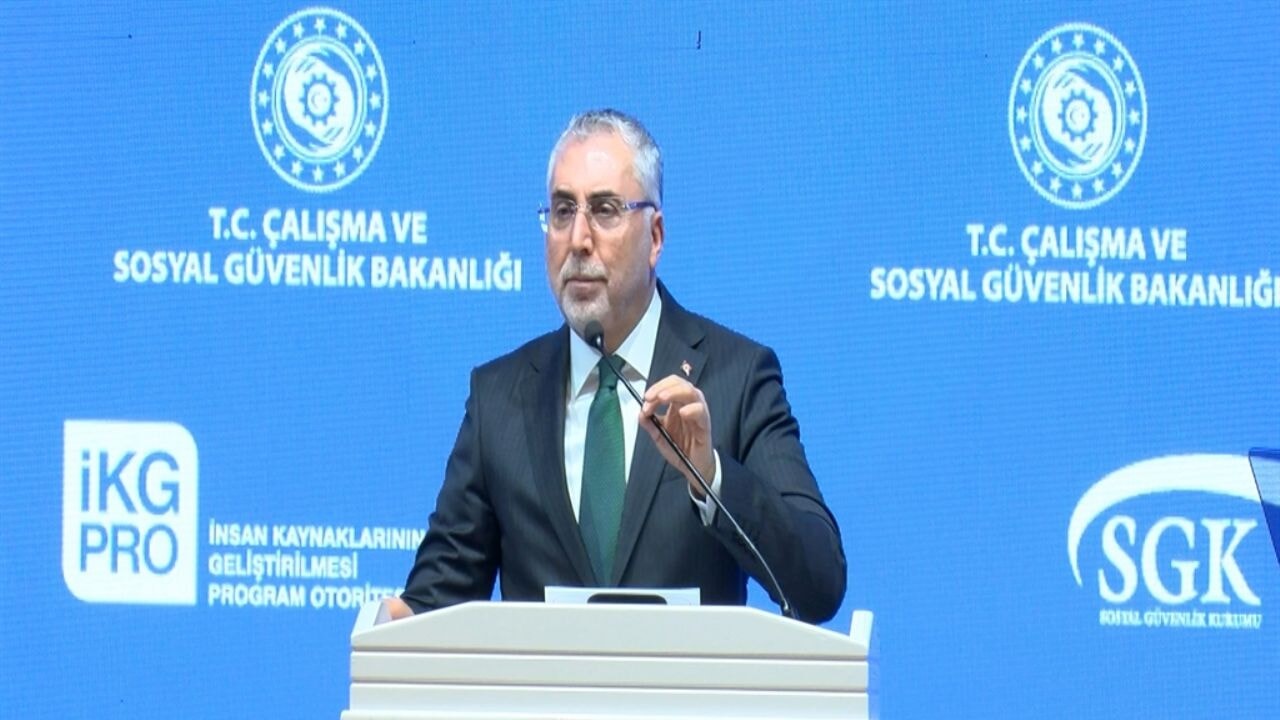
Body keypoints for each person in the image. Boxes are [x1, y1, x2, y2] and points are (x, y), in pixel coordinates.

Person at [385, 109, 846, 624]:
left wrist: (712, 476)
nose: (578, 239)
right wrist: (398, 625)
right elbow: (436, 602)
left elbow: (819, 583)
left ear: (655, 237)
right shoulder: (499, 398)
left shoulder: (736, 378)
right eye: (563, 211)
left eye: (605, 210)